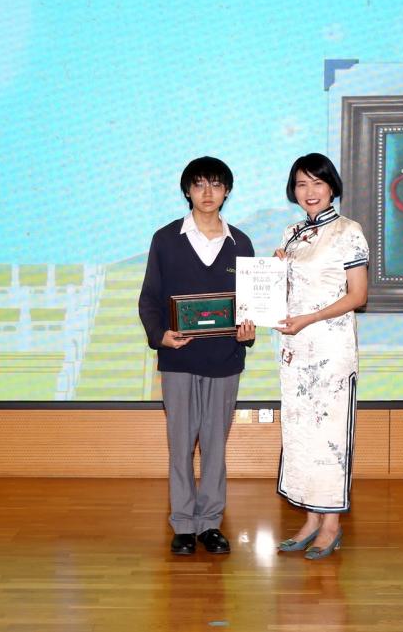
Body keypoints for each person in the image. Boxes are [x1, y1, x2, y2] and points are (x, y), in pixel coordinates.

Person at [138, 156, 256, 556]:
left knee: (215, 446)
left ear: (227, 191)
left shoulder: (241, 243)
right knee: (181, 445)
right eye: (200, 184)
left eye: (216, 184)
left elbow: (251, 304)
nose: (208, 192)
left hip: (225, 359)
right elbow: (149, 298)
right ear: (187, 190)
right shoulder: (165, 239)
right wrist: (160, 336)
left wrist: (249, 331)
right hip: (179, 359)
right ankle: (183, 524)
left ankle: (210, 524)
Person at [273, 152, 369, 560]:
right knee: (301, 435)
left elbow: (358, 295)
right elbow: (283, 293)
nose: (309, 191)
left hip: (331, 352)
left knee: (329, 438)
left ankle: (331, 526)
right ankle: (311, 520)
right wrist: (273, 274)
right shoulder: (291, 234)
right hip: (295, 351)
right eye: (301, 184)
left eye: (317, 182)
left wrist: (310, 318)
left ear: (332, 187)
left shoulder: (349, 231)